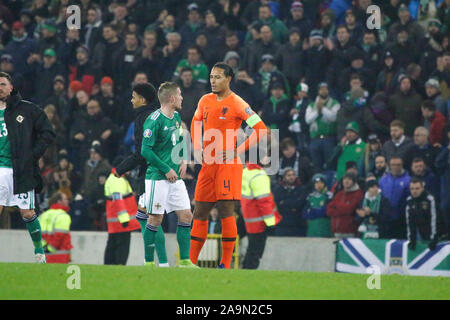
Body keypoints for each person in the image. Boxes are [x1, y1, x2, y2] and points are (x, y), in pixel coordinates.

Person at [189, 63, 268, 269]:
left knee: (226, 211)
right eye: (211, 77)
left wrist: (237, 150)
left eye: (217, 77)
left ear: (228, 79)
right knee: (199, 211)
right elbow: (196, 121)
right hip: (208, 164)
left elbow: (260, 129)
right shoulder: (205, 100)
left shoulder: (238, 103)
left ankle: (224, 264)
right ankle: (190, 263)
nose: (213, 81)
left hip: (228, 165)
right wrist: (197, 147)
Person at [0, 72, 55, 263]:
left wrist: (32, 156)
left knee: (28, 213)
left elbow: (48, 132)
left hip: (20, 169)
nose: (0, 87)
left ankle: (40, 253)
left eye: (3, 84)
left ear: (11, 87)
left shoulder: (27, 109)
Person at [141, 82, 197, 268]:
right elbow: (145, 151)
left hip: (175, 178)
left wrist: (182, 159)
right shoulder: (154, 120)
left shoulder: (176, 117)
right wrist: (166, 168)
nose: (182, 98)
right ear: (172, 98)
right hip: (158, 177)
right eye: (180, 95)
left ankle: (185, 261)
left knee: (186, 215)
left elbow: (179, 139)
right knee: (155, 219)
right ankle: (149, 262)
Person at [115, 82, 168, 267]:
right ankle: (156, 262)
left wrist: (120, 168)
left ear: (143, 100)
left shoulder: (143, 118)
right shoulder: (161, 115)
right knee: (147, 216)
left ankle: (159, 263)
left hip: (151, 173)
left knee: (150, 217)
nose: (131, 100)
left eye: (134, 97)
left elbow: (141, 153)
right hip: (166, 170)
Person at [240, 160, 281, 269]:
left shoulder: (246, 172)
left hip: (249, 218)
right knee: (256, 252)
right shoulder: (259, 175)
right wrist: (271, 223)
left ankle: (244, 271)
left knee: (251, 250)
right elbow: (264, 202)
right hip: (259, 221)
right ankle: (248, 275)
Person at [104, 157, 141, 265]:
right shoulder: (118, 180)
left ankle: (109, 266)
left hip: (116, 222)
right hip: (121, 223)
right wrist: (124, 220)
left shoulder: (114, 178)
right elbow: (118, 200)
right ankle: (119, 265)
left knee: (112, 245)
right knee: (121, 247)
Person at [378, 156, 411, 239]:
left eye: (398, 165)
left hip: (401, 218)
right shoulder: (383, 180)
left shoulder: (408, 180)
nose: (396, 167)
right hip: (385, 218)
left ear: (402, 165)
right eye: (393, 165)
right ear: (389, 166)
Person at [326, 172, 363, 238]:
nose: (346, 181)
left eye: (349, 179)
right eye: (345, 179)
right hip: (336, 232)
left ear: (353, 181)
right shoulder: (339, 194)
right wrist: (342, 208)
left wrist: (336, 206)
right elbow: (329, 211)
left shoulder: (358, 193)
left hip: (350, 232)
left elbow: (349, 209)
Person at [406, 178, 439, 251]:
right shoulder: (409, 201)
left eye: (417, 188)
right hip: (419, 233)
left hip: (432, 232)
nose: (414, 191)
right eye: (412, 189)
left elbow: (434, 219)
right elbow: (409, 222)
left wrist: (434, 238)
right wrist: (412, 240)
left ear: (422, 188)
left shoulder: (430, 199)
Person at [273, 168, 308, 237]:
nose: (291, 177)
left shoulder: (301, 189)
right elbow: (278, 204)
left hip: (298, 226)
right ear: (284, 177)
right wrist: (292, 204)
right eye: (288, 175)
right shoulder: (278, 189)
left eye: (293, 175)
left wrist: (284, 202)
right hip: (282, 226)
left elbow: (300, 204)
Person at [39, 191, 72, 263]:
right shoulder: (63, 216)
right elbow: (59, 236)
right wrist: (50, 249)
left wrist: (45, 248)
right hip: (60, 256)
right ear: (59, 201)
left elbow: (38, 235)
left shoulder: (44, 215)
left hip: (44, 255)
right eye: (65, 199)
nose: (68, 201)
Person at [302, 173, 333, 237]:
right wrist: (319, 211)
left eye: (321, 182)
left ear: (324, 183)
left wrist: (312, 211)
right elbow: (305, 213)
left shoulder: (329, 196)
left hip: (325, 230)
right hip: (312, 231)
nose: (319, 185)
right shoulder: (309, 197)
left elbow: (327, 212)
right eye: (316, 183)